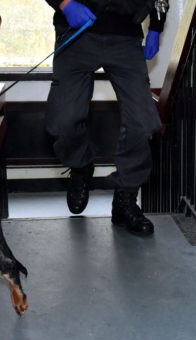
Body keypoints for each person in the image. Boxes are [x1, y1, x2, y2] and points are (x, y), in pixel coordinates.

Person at [45, 0, 168, 236]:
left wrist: (156, 27)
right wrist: (65, 3)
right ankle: (80, 166)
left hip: (125, 36)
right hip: (76, 32)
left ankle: (125, 197)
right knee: (63, 121)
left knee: (144, 122)